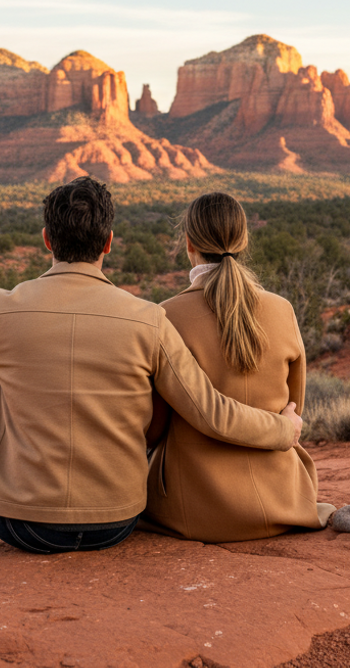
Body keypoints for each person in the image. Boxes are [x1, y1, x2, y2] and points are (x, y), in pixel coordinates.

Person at [0, 176, 303, 559]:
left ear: (47, 239)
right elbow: (209, 410)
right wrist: (283, 428)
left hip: (22, 523)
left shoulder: (3, 308)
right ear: (108, 242)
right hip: (117, 520)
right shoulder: (149, 319)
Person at [143, 192, 333, 543]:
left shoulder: (165, 316)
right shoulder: (282, 310)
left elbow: (154, 429)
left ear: (189, 243)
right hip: (284, 501)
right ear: (244, 241)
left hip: (195, 509)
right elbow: (294, 411)